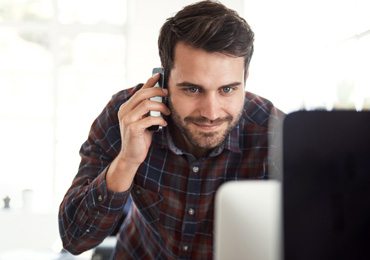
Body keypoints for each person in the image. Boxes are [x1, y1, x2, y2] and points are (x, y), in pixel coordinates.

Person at [58, 1, 282, 259]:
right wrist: (127, 161)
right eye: (192, 89)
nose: (211, 112)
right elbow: (74, 238)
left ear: (245, 79)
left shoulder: (277, 134)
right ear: (163, 79)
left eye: (227, 89)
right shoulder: (125, 116)